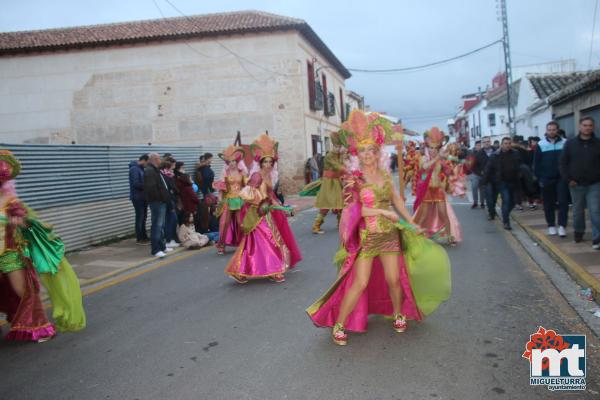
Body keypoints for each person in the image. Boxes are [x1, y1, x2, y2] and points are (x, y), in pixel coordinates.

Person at [306, 110, 451, 346]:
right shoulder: (354, 179)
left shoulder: (384, 176)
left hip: (390, 235)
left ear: (377, 153)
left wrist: (413, 223)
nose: (367, 155)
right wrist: (382, 212)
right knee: (360, 282)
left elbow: (397, 202)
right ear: (357, 155)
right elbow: (355, 211)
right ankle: (340, 324)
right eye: (362, 151)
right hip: (368, 236)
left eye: (371, 150)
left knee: (394, 279)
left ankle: (398, 313)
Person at [0, 150, 86, 341]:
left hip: (9, 255)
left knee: (22, 292)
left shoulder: (12, 202)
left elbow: (29, 224)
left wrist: (19, 222)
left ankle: (39, 326)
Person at [224, 133, 302, 283]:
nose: (268, 164)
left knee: (253, 244)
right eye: (265, 162)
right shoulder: (257, 176)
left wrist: (281, 206)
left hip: (266, 212)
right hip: (257, 214)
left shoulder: (269, 176)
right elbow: (246, 193)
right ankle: (273, 270)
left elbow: (270, 194)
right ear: (260, 162)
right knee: (268, 239)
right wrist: (262, 202)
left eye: (270, 162)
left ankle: (239, 271)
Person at [412, 128, 463, 245]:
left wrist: (456, 166)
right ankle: (415, 238)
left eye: (435, 148)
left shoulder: (441, 160)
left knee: (443, 214)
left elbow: (449, 172)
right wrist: (438, 158)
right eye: (431, 148)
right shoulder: (423, 158)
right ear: (427, 148)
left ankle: (450, 238)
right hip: (427, 190)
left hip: (438, 190)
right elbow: (425, 167)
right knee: (423, 216)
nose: (433, 150)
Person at [560, 116, 600, 248]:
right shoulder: (570, 144)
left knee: (595, 211)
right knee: (578, 212)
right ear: (580, 126)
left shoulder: (598, 143)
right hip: (575, 184)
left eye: (590, 125)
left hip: (594, 184)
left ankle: (597, 238)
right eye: (585, 125)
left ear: (593, 127)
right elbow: (563, 163)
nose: (587, 128)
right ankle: (578, 232)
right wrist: (568, 179)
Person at [301, 132, 345, 234]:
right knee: (326, 205)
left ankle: (341, 224)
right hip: (329, 183)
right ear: (335, 146)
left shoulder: (339, 155)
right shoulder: (330, 156)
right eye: (339, 146)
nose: (341, 148)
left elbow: (341, 167)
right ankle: (316, 226)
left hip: (336, 182)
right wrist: (348, 170)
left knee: (340, 204)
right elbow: (337, 167)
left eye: (341, 146)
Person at [534, 121, 569, 237]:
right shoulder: (541, 144)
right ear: (546, 130)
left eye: (553, 129)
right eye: (549, 130)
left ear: (558, 130)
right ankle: (551, 225)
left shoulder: (565, 143)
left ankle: (562, 226)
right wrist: (540, 178)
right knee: (548, 204)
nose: (551, 132)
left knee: (563, 202)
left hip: (562, 178)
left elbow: (569, 160)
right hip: (546, 178)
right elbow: (536, 163)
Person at [213, 145, 248, 255]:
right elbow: (221, 189)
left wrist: (248, 199)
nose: (232, 163)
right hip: (228, 200)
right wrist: (220, 200)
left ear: (237, 161)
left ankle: (244, 243)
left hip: (240, 200)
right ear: (227, 163)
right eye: (230, 161)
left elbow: (246, 187)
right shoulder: (225, 173)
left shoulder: (242, 173)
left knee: (241, 222)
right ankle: (221, 245)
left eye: (234, 161)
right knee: (225, 223)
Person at [483, 137, 522, 230]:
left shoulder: (516, 153)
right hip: (501, 182)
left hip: (514, 181)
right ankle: (506, 222)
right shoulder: (495, 155)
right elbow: (488, 168)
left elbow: (520, 165)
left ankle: (505, 213)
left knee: (513, 202)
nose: (507, 145)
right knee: (506, 200)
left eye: (509, 143)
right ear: (501, 144)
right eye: (505, 143)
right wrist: (485, 180)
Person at [144, 153, 170, 257]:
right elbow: (152, 189)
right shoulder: (150, 171)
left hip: (160, 202)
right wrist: (161, 198)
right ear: (154, 159)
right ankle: (155, 249)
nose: (161, 160)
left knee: (160, 225)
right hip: (157, 202)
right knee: (157, 225)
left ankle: (162, 246)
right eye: (159, 158)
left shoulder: (154, 170)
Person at [129, 154, 149, 244]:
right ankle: (139, 238)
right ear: (144, 160)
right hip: (137, 197)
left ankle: (144, 236)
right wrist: (147, 185)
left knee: (144, 217)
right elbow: (135, 183)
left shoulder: (141, 169)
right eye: (147, 163)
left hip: (143, 197)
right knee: (140, 217)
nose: (147, 165)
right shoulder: (134, 169)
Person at [160, 157, 180, 249]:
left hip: (172, 200)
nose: (173, 168)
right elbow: (169, 189)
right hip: (169, 201)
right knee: (170, 221)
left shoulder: (169, 175)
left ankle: (170, 239)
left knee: (173, 220)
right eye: (172, 166)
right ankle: (168, 240)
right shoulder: (165, 176)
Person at [467, 140, 486, 209]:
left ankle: (482, 202)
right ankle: (475, 202)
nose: (479, 147)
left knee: (482, 189)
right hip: (475, 173)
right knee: (474, 187)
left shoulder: (484, 153)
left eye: (480, 145)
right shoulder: (472, 154)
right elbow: (469, 163)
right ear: (475, 146)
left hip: (483, 174)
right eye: (478, 145)